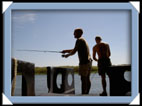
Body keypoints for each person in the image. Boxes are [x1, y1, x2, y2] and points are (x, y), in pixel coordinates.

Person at [62, 28, 92, 94]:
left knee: (83, 79)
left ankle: (83, 95)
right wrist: (66, 51)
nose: (73, 34)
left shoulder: (79, 40)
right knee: (87, 78)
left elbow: (74, 51)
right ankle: (86, 94)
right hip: (89, 61)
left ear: (79, 33)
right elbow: (75, 49)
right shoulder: (83, 40)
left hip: (84, 62)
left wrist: (67, 55)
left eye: (74, 32)